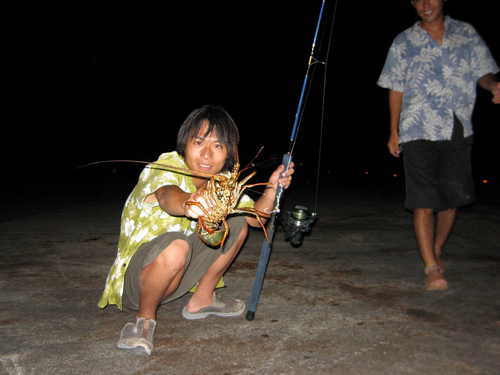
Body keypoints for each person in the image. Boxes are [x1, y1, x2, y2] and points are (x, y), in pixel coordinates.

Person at [97, 105, 294, 356]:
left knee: (237, 222)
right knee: (177, 244)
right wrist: (190, 202)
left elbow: (257, 220)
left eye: (218, 145)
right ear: (185, 143)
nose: (207, 154)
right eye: (199, 141)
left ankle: (202, 300)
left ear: (228, 154)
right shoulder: (166, 164)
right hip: (138, 283)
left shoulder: (223, 181)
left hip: (179, 276)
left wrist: (271, 190)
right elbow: (167, 194)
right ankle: (143, 321)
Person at [377, 0, 499, 291]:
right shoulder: (404, 41)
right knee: (423, 198)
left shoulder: (465, 33)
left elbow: (482, 70)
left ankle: (437, 248)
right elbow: (396, 86)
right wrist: (393, 131)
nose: (425, 4)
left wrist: (493, 85)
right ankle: (431, 267)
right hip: (416, 126)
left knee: (452, 197)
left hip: (456, 125)